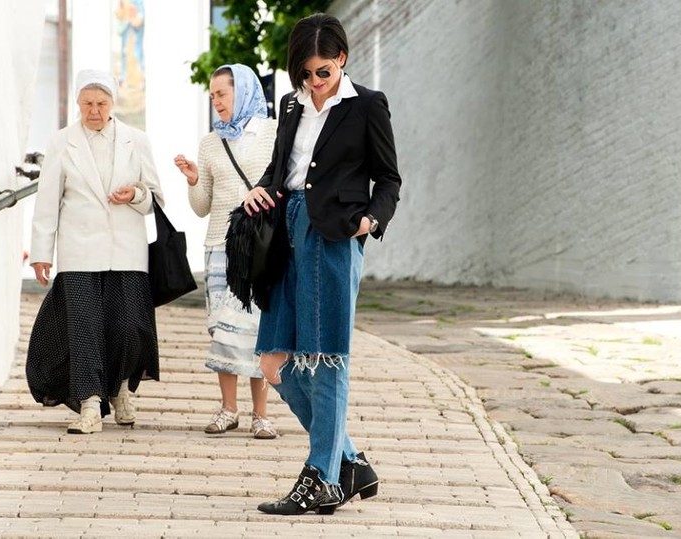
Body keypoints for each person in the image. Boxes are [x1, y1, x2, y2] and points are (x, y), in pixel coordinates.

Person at [243, 13, 402, 515]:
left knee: (326, 358)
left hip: (332, 238)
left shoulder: (367, 105)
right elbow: (281, 167)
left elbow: (389, 179)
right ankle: (348, 462)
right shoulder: (291, 104)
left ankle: (321, 478)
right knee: (273, 361)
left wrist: (370, 221)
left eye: (323, 72)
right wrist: (259, 189)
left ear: (342, 59)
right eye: (305, 73)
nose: (314, 82)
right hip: (283, 233)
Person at [26, 69, 163, 435]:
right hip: (78, 249)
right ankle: (89, 404)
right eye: (87, 103)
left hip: (126, 250)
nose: (94, 111)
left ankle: (120, 391)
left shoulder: (137, 140)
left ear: (112, 103)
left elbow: (156, 199)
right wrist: (41, 253)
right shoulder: (61, 142)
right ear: (77, 102)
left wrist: (135, 194)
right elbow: (47, 201)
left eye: (101, 103)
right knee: (83, 328)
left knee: (127, 326)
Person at [174, 64, 279, 440]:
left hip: (258, 245)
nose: (215, 101)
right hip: (219, 245)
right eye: (212, 95)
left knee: (258, 330)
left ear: (244, 91)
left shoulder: (271, 133)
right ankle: (228, 409)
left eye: (222, 93)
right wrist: (193, 180)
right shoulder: (209, 143)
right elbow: (202, 207)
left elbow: (282, 184)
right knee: (223, 330)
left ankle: (261, 414)